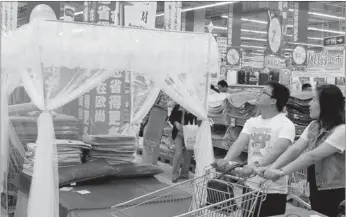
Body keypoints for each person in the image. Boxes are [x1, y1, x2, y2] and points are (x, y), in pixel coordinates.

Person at [262, 84, 345, 217]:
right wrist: (272, 167)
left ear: (326, 104)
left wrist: (281, 172)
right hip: (316, 186)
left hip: (336, 190)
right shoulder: (314, 126)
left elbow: (313, 156)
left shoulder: (341, 130)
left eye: (314, 99)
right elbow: (295, 149)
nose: (309, 104)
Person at [215, 81, 296, 217]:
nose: (259, 94)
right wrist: (226, 159)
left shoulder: (286, 124)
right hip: (250, 185)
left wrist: (255, 165)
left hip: (272, 188)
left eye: (264, 92)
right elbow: (239, 143)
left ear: (273, 101)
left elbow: (278, 150)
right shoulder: (252, 121)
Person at [169, 103, 197, 183]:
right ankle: (174, 175)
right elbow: (171, 117)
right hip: (178, 134)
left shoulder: (192, 107)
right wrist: (175, 122)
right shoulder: (177, 106)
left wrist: (190, 114)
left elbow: (196, 120)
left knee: (188, 154)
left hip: (189, 134)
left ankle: (184, 174)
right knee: (178, 153)